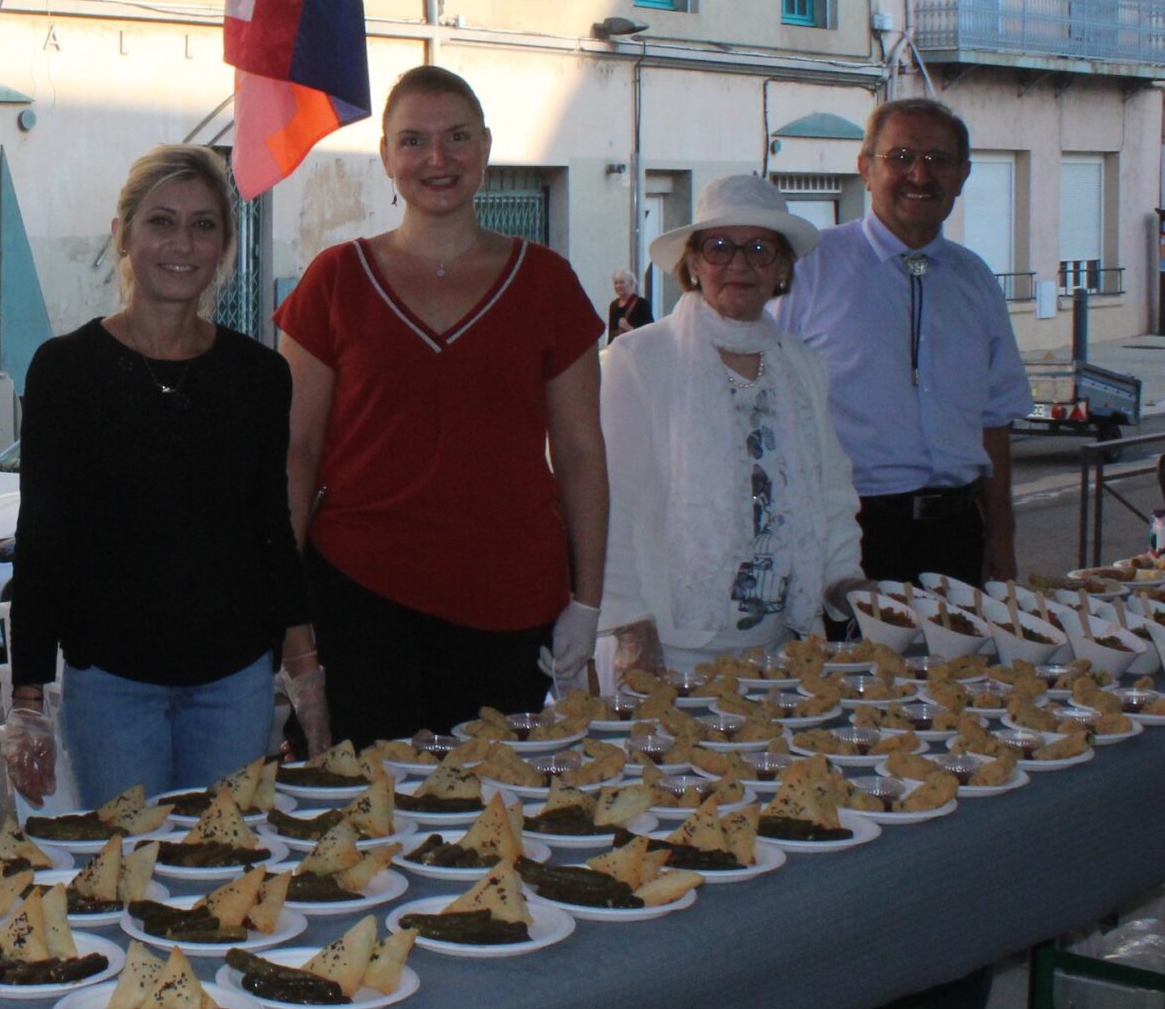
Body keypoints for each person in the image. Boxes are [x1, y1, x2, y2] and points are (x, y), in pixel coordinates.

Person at [278, 66, 610, 741]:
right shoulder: (334, 280)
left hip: (511, 599)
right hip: (360, 596)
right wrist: (290, 619)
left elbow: (580, 452)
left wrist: (588, 602)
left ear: (486, 147)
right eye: (414, 141)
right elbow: (296, 453)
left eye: (457, 137)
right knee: (369, 817)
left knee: (494, 816)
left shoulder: (547, 282)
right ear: (386, 157)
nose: (438, 159)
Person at [0, 146, 323, 806]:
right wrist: (26, 698)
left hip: (235, 682)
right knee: (125, 881)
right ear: (123, 235)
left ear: (224, 245)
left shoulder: (259, 377)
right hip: (111, 685)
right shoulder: (66, 371)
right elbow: (42, 544)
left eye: (204, 225)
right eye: (162, 221)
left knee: (223, 874)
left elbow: (271, 530)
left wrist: (305, 670)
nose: (183, 243)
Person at [600, 176, 867, 673]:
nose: (739, 264)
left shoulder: (802, 365)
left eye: (760, 249)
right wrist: (630, 627)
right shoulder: (638, 360)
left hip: (782, 649)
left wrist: (844, 581)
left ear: (782, 266)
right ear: (694, 262)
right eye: (720, 247)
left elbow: (831, 492)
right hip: (668, 651)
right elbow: (609, 506)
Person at [778, 98, 1033, 586]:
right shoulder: (809, 269)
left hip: (959, 538)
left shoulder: (975, 279)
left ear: (963, 175)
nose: (920, 175)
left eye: (939, 160)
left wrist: (1001, 536)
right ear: (865, 170)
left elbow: (995, 420)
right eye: (900, 158)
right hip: (849, 537)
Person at [606, 270, 653, 343]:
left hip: (636, 348)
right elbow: (611, 333)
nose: (618, 286)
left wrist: (629, 328)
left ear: (631, 283)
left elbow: (649, 330)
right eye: (615, 283)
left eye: (621, 282)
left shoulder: (641, 303)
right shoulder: (614, 305)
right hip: (620, 348)